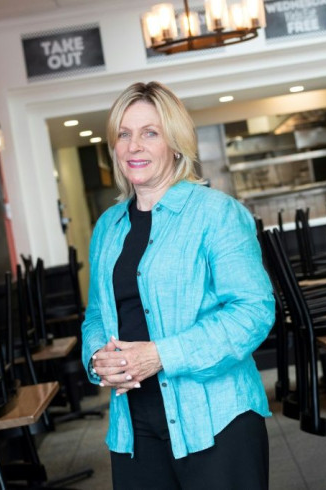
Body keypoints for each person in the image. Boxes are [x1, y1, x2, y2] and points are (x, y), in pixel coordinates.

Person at [81, 81, 275, 490]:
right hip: (133, 427)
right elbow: (97, 314)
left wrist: (161, 355)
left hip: (217, 418)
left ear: (176, 142)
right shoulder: (106, 228)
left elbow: (253, 313)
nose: (134, 146)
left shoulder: (217, 214)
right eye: (124, 134)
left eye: (150, 132)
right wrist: (97, 357)